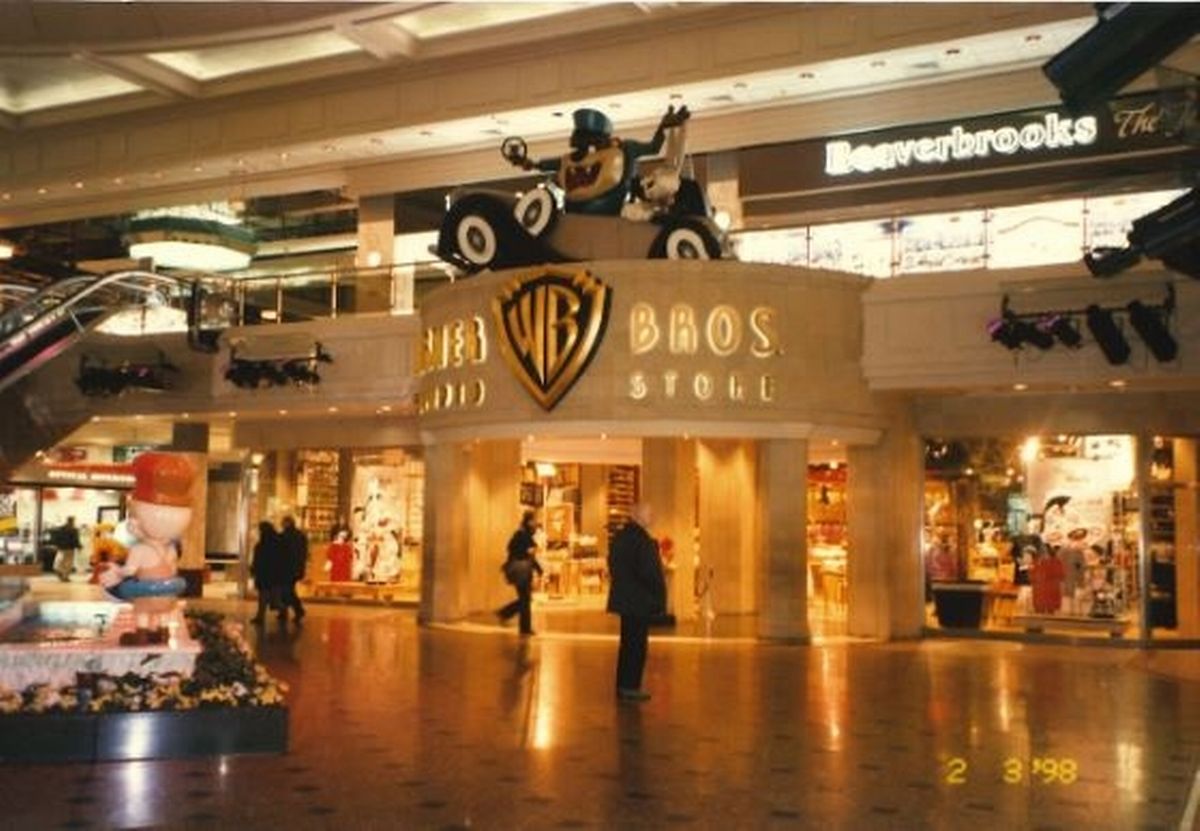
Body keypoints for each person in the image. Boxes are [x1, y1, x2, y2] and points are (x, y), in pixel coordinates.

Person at [607, 503, 666, 703]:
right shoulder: (642, 541)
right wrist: (658, 595)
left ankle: (623, 684)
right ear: (637, 516)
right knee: (637, 645)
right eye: (649, 514)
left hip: (625, 598)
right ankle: (631, 686)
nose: (652, 517)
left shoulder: (620, 538)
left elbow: (613, 565)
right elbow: (650, 573)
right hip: (639, 599)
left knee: (627, 643)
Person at [496, 510, 542, 636]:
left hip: (522, 570)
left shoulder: (525, 535)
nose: (535, 523)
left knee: (525, 599)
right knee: (525, 599)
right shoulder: (522, 535)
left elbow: (528, 555)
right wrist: (537, 566)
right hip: (521, 571)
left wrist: (538, 568)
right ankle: (523, 628)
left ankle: (506, 614)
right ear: (528, 521)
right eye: (534, 520)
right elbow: (518, 551)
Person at [250, 521, 284, 625]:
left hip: (264, 573)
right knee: (274, 596)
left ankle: (261, 616)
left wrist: (254, 570)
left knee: (263, 596)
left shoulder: (261, 544)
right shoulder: (278, 542)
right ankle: (282, 610)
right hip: (275, 574)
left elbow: (258, 560)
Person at [278, 516, 308, 622]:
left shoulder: (284, 536)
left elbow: (281, 553)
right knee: (288, 589)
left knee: (287, 590)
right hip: (296, 568)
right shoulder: (300, 536)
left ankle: (297, 610)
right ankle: (285, 610)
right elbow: (304, 553)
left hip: (286, 568)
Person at [51, 516, 81, 582]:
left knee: (60, 561)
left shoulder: (60, 529)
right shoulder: (74, 530)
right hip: (69, 548)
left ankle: (60, 572)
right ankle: (64, 575)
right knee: (68, 563)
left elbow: (56, 538)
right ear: (72, 521)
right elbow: (75, 540)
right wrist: (79, 546)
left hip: (62, 548)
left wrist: (56, 545)